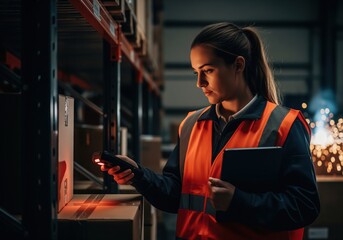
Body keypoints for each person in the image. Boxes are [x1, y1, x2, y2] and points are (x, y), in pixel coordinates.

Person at [100, 22, 320, 239]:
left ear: (238, 65)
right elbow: (175, 195)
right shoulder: (191, 124)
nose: (199, 82)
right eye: (196, 72)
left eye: (208, 70)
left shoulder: (284, 125)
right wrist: (138, 175)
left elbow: (305, 205)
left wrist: (239, 202)